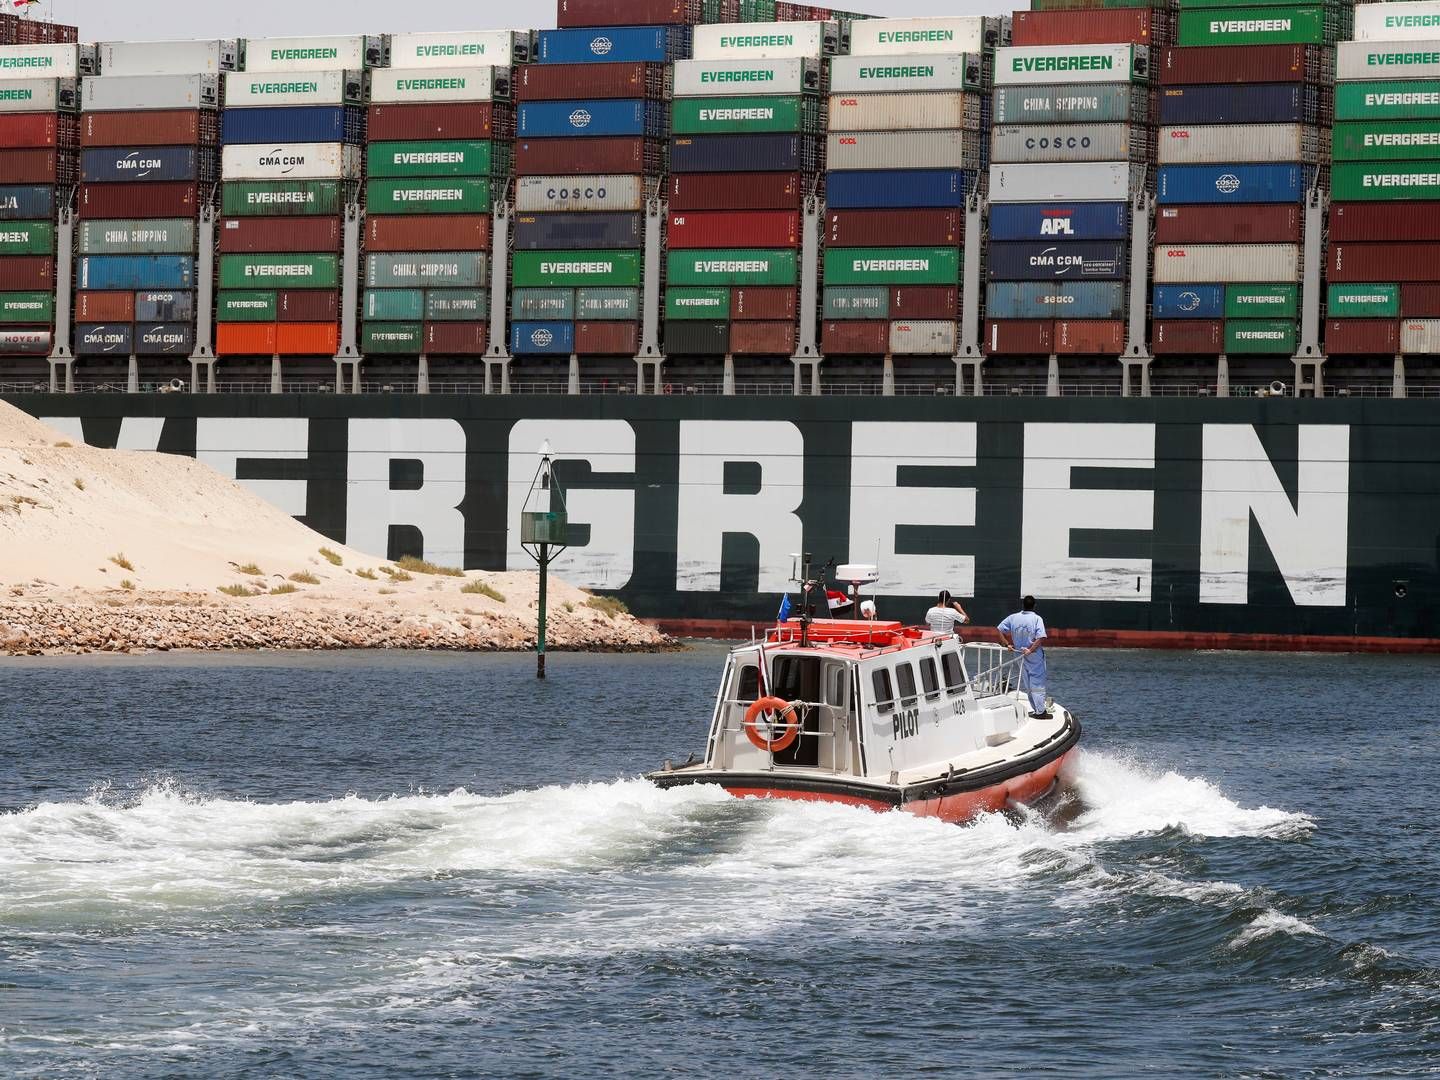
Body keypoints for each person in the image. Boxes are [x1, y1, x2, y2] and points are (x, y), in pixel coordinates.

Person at [998, 596, 1051, 719]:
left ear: (1023, 605)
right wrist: (1031, 650)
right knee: (1037, 682)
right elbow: (1041, 637)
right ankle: (1041, 711)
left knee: (1027, 681)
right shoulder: (1037, 618)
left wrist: (1007, 644)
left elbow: (999, 629)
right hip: (1033, 654)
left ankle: (1036, 709)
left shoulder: (1013, 617)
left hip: (1018, 653)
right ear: (1034, 605)